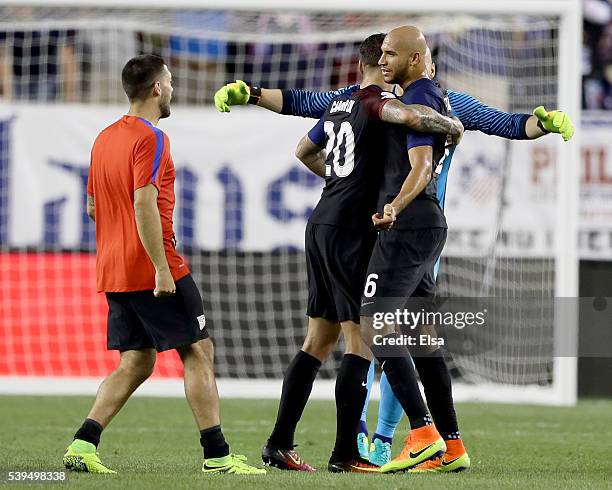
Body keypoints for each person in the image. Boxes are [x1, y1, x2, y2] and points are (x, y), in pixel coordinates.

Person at [213, 35, 575, 472]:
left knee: (372, 330)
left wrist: (544, 124)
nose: (386, 63)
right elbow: (303, 100)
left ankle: (389, 438)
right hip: (387, 229)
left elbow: (506, 123)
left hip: (399, 226)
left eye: (393, 56)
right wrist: (251, 94)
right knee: (406, 338)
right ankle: (437, 443)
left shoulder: (420, 99)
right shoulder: (369, 98)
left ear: (416, 61)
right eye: (382, 56)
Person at [260, 33, 463, 474]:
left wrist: (338, 184)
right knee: (365, 338)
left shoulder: (337, 103)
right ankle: (354, 451)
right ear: (380, 63)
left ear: (357, 64)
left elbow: (302, 150)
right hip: (355, 232)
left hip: (321, 223)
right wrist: (452, 125)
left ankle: (279, 443)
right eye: (386, 55)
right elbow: (409, 117)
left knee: (318, 340)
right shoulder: (377, 102)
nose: (389, 63)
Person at [62, 54, 265, 476]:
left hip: (113, 267)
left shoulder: (103, 138)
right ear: (156, 88)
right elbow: (144, 200)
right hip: (153, 264)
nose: (172, 89)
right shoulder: (152, 138)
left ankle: (83, 443)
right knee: (198, 349)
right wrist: (159, 266)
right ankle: (217, 456)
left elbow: (92, 206)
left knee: (137, 360)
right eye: (170, 82)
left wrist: (122, 240)